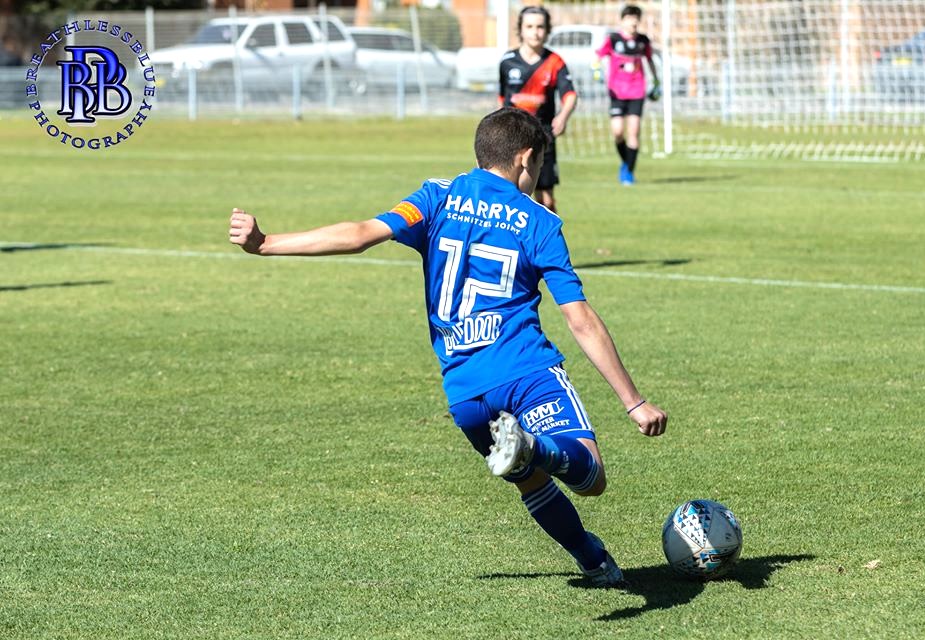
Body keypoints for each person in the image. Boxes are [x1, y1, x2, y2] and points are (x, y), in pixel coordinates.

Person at [228, 108, 667, 587]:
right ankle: (537, 448)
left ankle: (593, 560)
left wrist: (265, 243)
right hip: (525, 370)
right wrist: (634, 402)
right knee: (591, 477)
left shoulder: (437, 196)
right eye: (539, 164)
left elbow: (359, 235)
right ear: (526, 158)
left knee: (529, 480)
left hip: (466, 392)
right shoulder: (539, 221)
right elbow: (579, 319)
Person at [499, 5, 576, 214]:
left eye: (540, 27)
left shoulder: (555, 62)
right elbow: (502, 98)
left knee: (546, 201)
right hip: (512, 139)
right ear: (521, 30)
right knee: (510, 195)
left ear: (547, 30)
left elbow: (570, 95)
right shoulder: (507, 61)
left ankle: (549, 235)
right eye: (530, 26)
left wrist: (563, 116)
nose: (535, 32)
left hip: (543, 138)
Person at [595, 4, 660, 186]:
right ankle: (626, 162)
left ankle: (628, 172)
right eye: (629, 18)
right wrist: (596, 70)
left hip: (637, 91)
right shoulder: (613, 39)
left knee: (634, 131)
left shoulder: (643, 41)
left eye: (636, 19)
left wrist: (656, 81)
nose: (633, 22)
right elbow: (598, 57)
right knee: (617, 132)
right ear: (622, 20)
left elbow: (650, 60)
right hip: (616, 91)